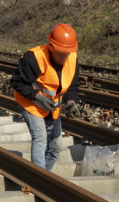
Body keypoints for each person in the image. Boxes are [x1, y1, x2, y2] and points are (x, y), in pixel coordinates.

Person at [10, 23, 81, 171]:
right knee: (40, 139)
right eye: (60, 53)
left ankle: (45, 175)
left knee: (55, 147)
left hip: (51, 106)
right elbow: (17, 82)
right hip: (31, 103)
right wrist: (38, 97)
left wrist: (71, 101)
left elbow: (72, 86)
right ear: (51, 46)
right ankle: (38, 180)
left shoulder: (72, 60)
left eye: (66, 53)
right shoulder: (34, 58)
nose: (64, 57)